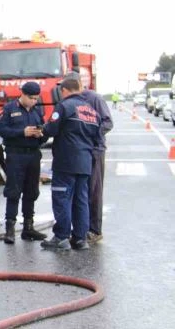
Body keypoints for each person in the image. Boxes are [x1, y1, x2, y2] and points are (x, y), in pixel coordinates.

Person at [40, 75, 101, 250]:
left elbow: (50, 129)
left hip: (66, 161)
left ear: (64, 90)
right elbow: (98, 137)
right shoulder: (91, 110)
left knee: (62, 198)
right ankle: (80, 239)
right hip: (85, 162)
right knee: (81, 200)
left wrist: (40, 132)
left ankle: (61, 237)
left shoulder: (64, 106)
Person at [0, 81, 48, 244]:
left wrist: (41, 135)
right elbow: (1, 130)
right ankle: (10, 230)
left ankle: (28, 228)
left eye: (36, 98)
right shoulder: (10, 109)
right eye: (31, 98)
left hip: (33, 155)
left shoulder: (37, 110)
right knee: (13, 192)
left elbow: (44, 132)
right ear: (23, 95)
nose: (34, 101)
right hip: (15, 155)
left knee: (31, 192)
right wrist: (22, 132)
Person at [71, 75, 113, 243]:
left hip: (94, 151)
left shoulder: (94, 98)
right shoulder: (70, 101)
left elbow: (108, 123)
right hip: (78, 151)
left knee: (93, 190)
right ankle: (81, 228)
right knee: (80, 192)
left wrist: (89, 134)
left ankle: (95, 230)